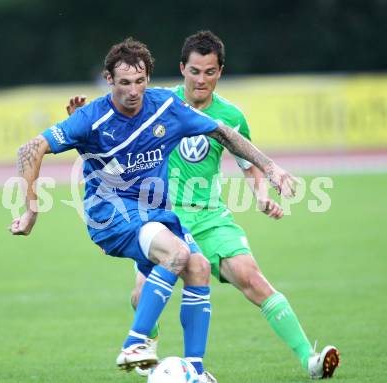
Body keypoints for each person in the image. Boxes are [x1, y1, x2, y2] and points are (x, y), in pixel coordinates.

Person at [9, 37, 295, 383]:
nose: (133, 90)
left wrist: (271, 168)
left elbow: (223, 132)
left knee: (199, 266)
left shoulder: (165, 106)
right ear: (109, 80)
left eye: (140, 81)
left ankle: (195, 371)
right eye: (124, 82)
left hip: (153, 213)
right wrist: (31, 211)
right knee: (176, 253)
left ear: (149, 78)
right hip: (110, 215)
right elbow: (31, 147)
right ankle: (135, 343)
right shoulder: (92, 116)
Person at [67, 31, 340, 380]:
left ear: (219, 72)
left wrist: (260, 192)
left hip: (210, 217)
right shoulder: (159, 104)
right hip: (161, 217)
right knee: (139, 296)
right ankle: (147, 356)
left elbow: (246, 161)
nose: (201, 79)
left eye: (209, 71)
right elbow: (114, 141)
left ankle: (310, 360)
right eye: (194, 71)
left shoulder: (231, 116)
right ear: (182, 69)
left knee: (253, 279)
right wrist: (85, 129)